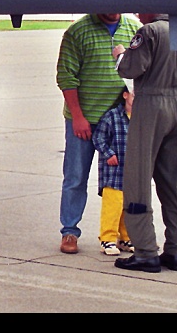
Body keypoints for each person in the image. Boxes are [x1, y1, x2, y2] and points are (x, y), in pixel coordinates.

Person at [112, 14, 177, 273]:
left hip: (151, 106)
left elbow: (130, 68)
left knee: (137, 179)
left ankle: (146, 251)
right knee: (173, 181)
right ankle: (175, 249)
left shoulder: (148, 32)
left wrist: (120, 55)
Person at [55, 13, 140, 254]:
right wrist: (78, 117)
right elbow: (66, 76)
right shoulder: (78, 31)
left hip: (118, 124)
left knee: (122, 183)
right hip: (84, 120)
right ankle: (69, 231)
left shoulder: (135, 28)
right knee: (75, 177)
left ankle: (122, 234)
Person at [91, 83, 135, 256]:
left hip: (131, 173)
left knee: (128, 207)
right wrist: (108, 153)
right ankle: (107, 239)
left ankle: (125, 238)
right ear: (125, 95)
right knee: (113, 207)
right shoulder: (112, 117)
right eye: (134, 95)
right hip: (114, 173)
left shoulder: (140, 118)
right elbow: (98, 137)